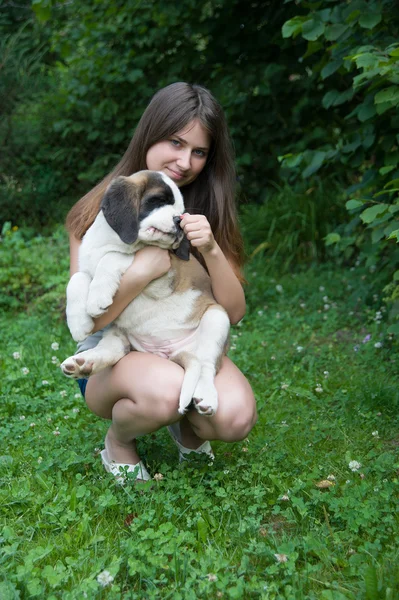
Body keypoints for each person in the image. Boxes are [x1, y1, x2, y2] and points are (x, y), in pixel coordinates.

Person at [65, 82, 257, 482]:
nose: (185, 161)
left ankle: (186, 428)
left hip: (178, 336)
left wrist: (214, 250)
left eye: (199, 151)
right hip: (112, 352)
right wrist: (142, 270)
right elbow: (91, 321)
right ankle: (119, 441)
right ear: (150, 133)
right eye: (175, 142)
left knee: (235, 416)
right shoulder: (99, 207)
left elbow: (232, 313)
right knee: (167, 390)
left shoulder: (206, 211)